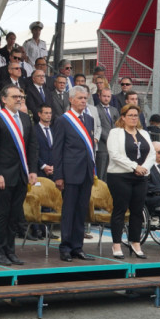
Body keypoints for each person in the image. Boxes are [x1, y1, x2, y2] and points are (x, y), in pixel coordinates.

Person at [0, 85, 38, 265]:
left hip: (22, 175)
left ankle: (10, 251)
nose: (19, 99)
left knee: (15, 215)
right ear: (4, 99)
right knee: (2, 214)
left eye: (21, 96)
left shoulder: (25, 118)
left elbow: (32, 146)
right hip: (3, 176)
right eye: (15, 96)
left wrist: (32, 170)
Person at [52, 86, 96, 262]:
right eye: (80, 98)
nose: (83, 101)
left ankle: (78, 247)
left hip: (85, 172)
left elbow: (90, 147)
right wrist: (59, 175)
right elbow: (57, 150)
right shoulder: (63, 120)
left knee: (81, 211)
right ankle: (65, 247)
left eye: (85, 98)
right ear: (71, 99)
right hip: (70, 173)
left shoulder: (89, 119)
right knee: (69, 211)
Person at [106, 104, 155, 259]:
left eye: (136, 115)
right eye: (131, 115)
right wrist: (135, 166)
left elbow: (152, 154)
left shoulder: (144, 133)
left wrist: (144, 168)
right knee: (120, 210)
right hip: (120, 176)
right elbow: (114, 154)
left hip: (140, 177)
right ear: (123, 117)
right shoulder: (116, 133)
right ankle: (116, 244)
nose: (134, 118)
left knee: (137, 211)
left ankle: (135, 242)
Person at [95, 87, 119, 181]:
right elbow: (98, 126)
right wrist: (110, 139)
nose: (106, 98)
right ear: (99, 96)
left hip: (113, 148)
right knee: (101, 174)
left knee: (111, 174)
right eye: (104, 96)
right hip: (102, 146)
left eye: (108, 96)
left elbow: (118, 125)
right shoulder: (95, 109)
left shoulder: (114, 110)